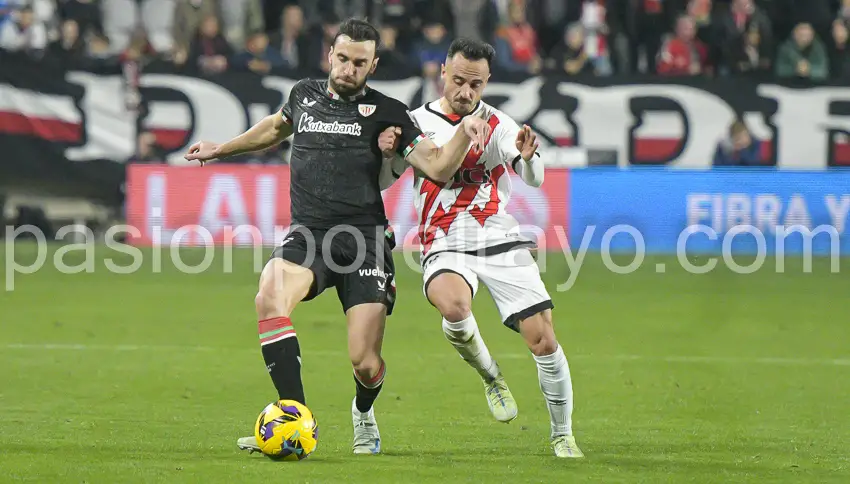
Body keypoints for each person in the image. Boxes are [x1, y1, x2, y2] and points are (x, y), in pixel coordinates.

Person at [184, 19, 491, 455]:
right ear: (331, 55)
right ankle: (294, 419)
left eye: (359, 63)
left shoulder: (388, 112)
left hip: (364, 241)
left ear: (374, 65)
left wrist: (464, 131)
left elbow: (439, 168)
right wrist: (221, 149)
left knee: (365, 364)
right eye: (343, 58)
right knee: (269, 295)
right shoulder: (303, 97)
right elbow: (274, 127)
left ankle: (363, 412)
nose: (349, 68)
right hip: (309, 235)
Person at [377, 38, 584, 458]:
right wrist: (386, 155)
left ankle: (563, 433)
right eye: (458, 81)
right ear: (442, 74)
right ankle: (491, 376)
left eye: (476, 85)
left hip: (499, 238)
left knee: (542, 339)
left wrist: (528, 158)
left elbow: (536, 177)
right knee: (453, 305)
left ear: (486, 83)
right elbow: (385, 180)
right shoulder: (414, 122)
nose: (466, 92)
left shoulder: (498, 123)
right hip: (443, 240)